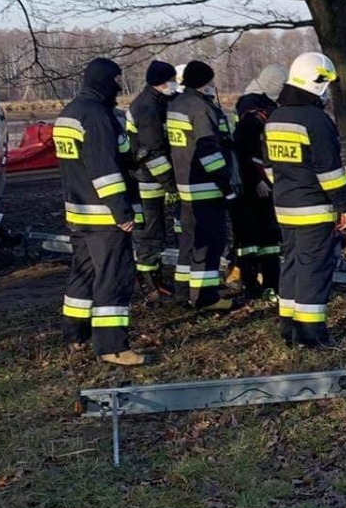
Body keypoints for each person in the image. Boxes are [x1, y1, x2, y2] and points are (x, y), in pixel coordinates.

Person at [53, 58, 149, 366]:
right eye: (116, 81)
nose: (118, 87)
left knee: (83, 273)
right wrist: (122, 213)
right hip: (104, 215)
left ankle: (75, 334)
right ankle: (113, 347)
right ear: (103, 81)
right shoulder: (96, 117)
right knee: (114, 276)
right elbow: (103, 170)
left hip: (79, 211)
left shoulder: (68, 114)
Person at [268, 53, 346, 347]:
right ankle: (311, 335)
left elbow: (269, 167)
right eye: (325, 83)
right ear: (315, 81)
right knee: (313, 270)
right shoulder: (316, 120)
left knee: (291, 264)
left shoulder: (275, 117)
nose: (327, 90)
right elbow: (330, 172)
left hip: (284, 206)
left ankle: (289, 327)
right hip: (313, 209)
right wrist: (344, 206)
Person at [167, 60, 237, 311]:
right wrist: (226, 186)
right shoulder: (200, 108)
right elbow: (209, 152)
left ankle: (184, 290)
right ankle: (206, 297)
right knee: (210, 241)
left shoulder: (176, 104)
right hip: (206, 186)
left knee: (189, 242)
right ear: (204, 81)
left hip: (185, 184)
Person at [230, 64, 288, 301]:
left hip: (263, 180)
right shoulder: (253, 113)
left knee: (268, 236)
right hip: (253, 184)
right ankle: (250, 281)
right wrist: (257, 180)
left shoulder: (262, 105)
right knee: (252, 236)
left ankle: (269, 280)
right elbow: (245, 150)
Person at [125, 61, 178, 297]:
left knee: (153, 231)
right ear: (162, 81)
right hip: (147, 179)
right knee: (150, 232)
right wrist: (170, 185)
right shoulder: (147, 107)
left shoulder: (155, 101)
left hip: (149, 176)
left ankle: (152, 279)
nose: (174, 84)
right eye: (172, 80)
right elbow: (153, 152)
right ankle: (150, 284)